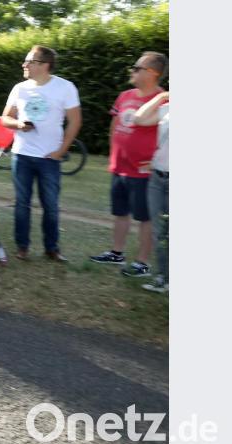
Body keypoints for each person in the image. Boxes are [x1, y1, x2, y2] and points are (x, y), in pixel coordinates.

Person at [89, 52, 168, 278]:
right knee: (120, 212)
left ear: (153, 73)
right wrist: (114, 155)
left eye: (137, 68)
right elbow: (115, 127)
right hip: (120, 167)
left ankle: (142, 262)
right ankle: (117, 253)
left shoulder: (164, 100)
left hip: (143, 172)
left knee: (144, 218)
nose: (132, 71)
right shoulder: (124, 96)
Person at [1, 45, 81, 262]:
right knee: (21, 204)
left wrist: (61, 151)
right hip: (22, 155)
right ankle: (22, 247)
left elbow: (75, 121)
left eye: (29, 61)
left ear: (44, 65)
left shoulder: (65, 87)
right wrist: (18, 124)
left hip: (49, 158)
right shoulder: (20, 88)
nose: (24, 64)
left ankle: (51, 248)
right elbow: (4, 118)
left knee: (51, 206)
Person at [133, 90, 169, 293]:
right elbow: (139, 118)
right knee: (159, 231)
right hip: (157, 177)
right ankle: (163, 278)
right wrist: (160, 97)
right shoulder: (166, 109)